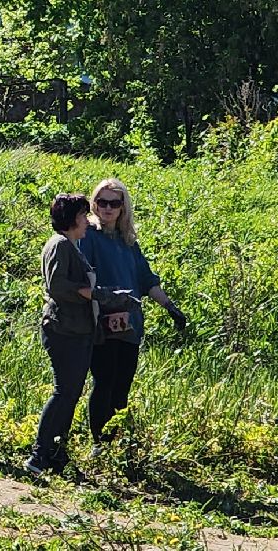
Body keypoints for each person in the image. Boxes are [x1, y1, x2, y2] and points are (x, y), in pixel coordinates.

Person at [75, 178, 191, 439]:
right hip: (101, 322)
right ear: (94, 204)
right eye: (102, 202)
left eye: (114, 203)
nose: (107, 208)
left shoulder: (128, 242)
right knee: (104, 380)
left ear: (123, 207)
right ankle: (99, 441)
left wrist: (170, 307)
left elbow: (146, 280)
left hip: (129, 323)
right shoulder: (88, 236)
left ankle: (115, 440)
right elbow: (83, 278)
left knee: (123, 383)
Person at [27, 193, 97, 476]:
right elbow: (57, 286)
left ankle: (56, 454)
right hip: (63, 329)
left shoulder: (72, 246)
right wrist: (90, 293)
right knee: (63, 391)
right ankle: (39, 455)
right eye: (83, 215)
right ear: (71, 219)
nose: (87, 221)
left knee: (71, 392)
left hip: (77, 329)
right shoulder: (59, 244)